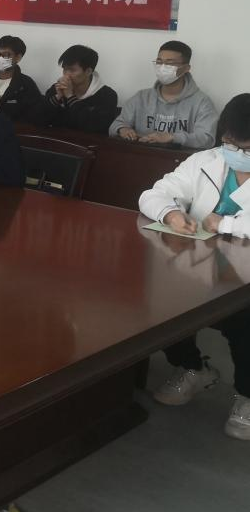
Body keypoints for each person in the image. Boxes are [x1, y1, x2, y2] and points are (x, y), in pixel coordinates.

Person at [138, 94, 250, 440]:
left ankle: (247, 395)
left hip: (245, 277)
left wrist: (224, 224)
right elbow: (152, 194)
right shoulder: (205, 161)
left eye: (247, 148)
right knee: (162, 303)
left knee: (244, 324)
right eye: (231, 143)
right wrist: (171, 213)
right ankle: (193, 367)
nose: (237, 153)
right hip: (201, 266)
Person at [109, 40, 217, 148]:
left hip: (179, 157)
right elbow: (115, 125)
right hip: (141, 154)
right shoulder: (141, 97)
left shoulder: (202, 102)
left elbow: (207, 139)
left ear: (186, 68)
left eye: (170, 63)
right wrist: (122, 129)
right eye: (159, 62)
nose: (162, 67)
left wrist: (172, 137)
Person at [33, 44, 119, 134]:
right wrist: (57, 97)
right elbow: (37, 119)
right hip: (56, 139)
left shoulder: (107, 95)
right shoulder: (56, 88)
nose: (66, 75)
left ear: (88, 71)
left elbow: (95, 127)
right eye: (64, 69)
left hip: (86, 142)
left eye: (72, 70)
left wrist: (70, 97)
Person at [0, 36, 41, 122]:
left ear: (18, 57)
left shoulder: (26, 85)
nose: (0, 58)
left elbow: (34, 115)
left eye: (6, 55)